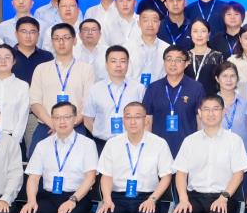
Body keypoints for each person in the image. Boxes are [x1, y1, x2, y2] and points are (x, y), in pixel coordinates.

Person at [171, 95, 247, 213]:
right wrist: (183, 199)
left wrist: (224, 197)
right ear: (199, 113)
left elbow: (238, 174)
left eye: (216, 109)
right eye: (206, 109)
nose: (211, 113)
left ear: (223, 112)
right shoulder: (190, 141)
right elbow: (180, 173)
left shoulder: (234, 140)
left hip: (224, 196)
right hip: (195, 197)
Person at [95, 101, 174, 213]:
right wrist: (107, 199)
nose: (132, 121)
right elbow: (106, 176)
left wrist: (153, 199)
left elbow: (166, 177)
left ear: (146, 120)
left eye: (137, 117)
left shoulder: (159, 143)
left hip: (148, 197)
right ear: (123, 120)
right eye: (128, 117)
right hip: (118, 198)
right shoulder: (112, 144)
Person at [27, 23, 95, 155]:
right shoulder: (41, 69)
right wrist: (54, 124)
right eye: (57, 38)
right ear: (52, 41)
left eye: (66, 38)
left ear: (74, 40)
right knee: (36, 164)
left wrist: (68, 124)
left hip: (76, 127)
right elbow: (35, 102)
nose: (61, 42)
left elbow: (88, 103)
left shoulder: (86, 69)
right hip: (46, 127)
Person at [142, 45, 206, 160]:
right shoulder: (153, 88)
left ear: (186, 63)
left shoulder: (196, 88)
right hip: (158, 151)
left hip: (188, 150)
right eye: (169, 59)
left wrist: (199, 147)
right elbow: (147, 122)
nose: (173, 64)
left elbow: (200, 121)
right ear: (164, 62)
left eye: (178, 60)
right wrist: (148, 149)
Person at [83, 45, 146, 151]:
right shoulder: (95, 89)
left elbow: (145, 118)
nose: (118, 65)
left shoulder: (139, 88)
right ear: (106, 64)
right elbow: (87, 118)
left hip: (131, 143)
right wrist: (99, 133)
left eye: (122, 61)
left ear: (128, 64)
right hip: (102, 144)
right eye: (113, 61)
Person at [214, 62, 247, 163]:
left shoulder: (245, 104)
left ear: (237, 79)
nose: (229, 80)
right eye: (224, 76)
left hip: (242, 158)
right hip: (217, 158)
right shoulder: (210, 104)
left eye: (232, 76)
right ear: (217, 79)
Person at [125, 9, 170, 88]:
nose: (150, 24)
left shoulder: (167, 49)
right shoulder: (127, 48)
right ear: (139, 23)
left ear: (159, 23)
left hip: (159, 91)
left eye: (154, 21)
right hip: (133, 92)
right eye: (145, 21)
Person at [11, 17, 53, 85]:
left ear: (38, 35)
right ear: (16, 34)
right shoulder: (8, 56)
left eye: (32, 32)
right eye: (24, 32)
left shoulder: (47, 57)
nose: (28, 36)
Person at [186, 19, 224, 95]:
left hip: (211, 99)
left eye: (203, 31)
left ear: (209, 34)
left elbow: (222, 81)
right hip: (188, 98)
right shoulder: (184, 56)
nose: (199, 35)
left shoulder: (218, 56)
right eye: (195, 31)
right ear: (190, 34)